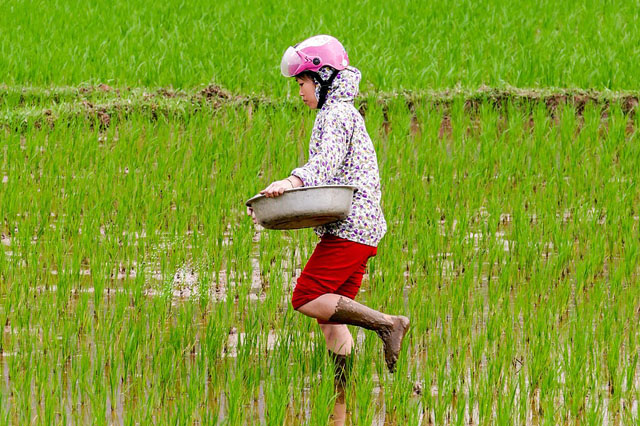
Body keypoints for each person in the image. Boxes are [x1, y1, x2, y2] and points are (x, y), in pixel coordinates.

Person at [248, 35, 409, 381]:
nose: (300, 92)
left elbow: (325, 163)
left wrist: (289, 183)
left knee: (306, 297)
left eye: (302, 83)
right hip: (363, 228)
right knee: (329, 318)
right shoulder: (342, 112)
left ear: (323, 78)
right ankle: (342, 393)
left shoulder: (335, 114)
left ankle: (387, 324)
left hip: (351, 227)